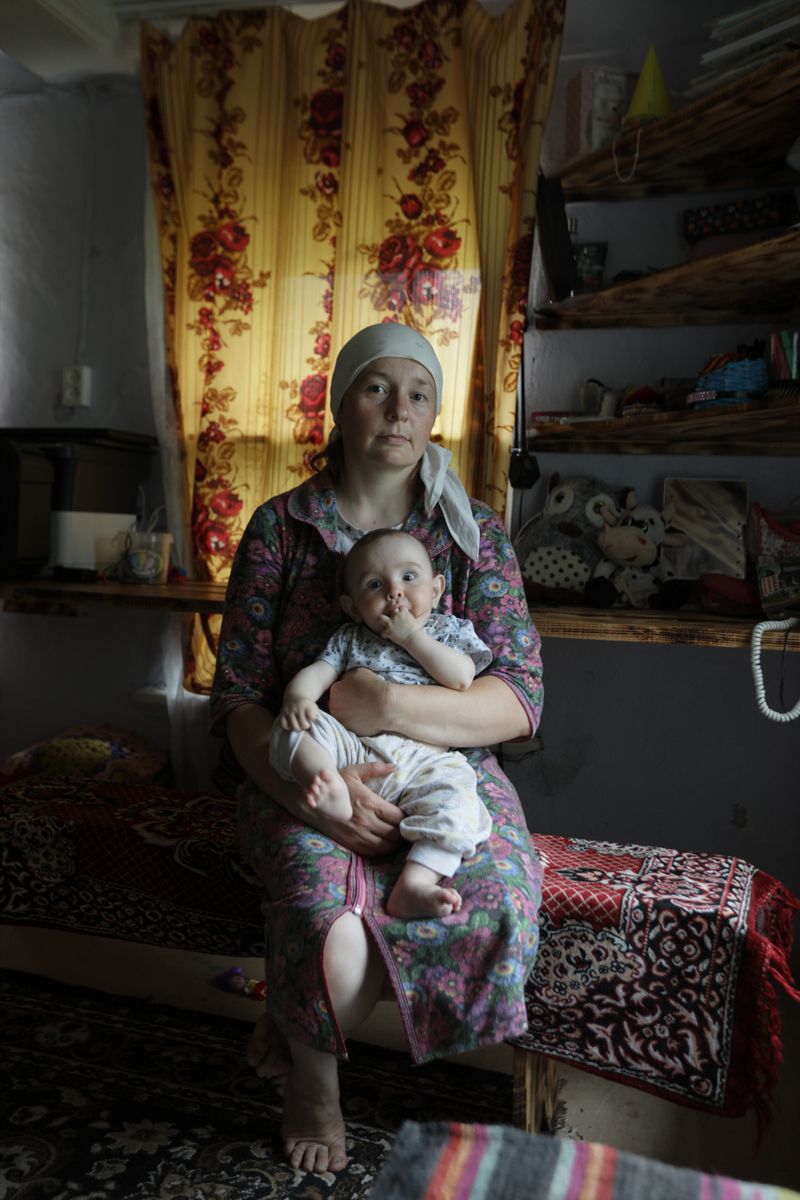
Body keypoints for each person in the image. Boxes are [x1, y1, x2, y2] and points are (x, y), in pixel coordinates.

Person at [210, 322, 544, 1176]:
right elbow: (240, 700)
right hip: (308, 764)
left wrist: (388, 702)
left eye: (420, 393)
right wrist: (306, 796)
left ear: (437, 414)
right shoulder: (283, 528)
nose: (400, 410)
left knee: (494, 897)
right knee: (316, 897)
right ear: (340, 402)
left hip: (448, 770)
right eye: (376, 388)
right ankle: (315, 1084)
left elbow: (517, 701)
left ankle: (297, 1014)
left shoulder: (473, 536)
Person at [270, 527, 494, 920]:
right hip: (355, 751)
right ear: (354, 606)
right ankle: (326, 783)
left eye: (409, 577)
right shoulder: (349, 638)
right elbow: (318, 672)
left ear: (438, 589)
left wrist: (412, 637)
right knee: (298, 726)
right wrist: (298, 699)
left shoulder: (447, 631)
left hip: (425, 760)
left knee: (460, 802)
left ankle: (416, 883)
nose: (395, 592)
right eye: (375, 584)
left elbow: (460, 678)